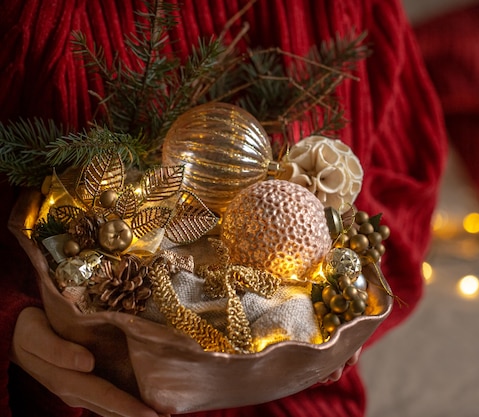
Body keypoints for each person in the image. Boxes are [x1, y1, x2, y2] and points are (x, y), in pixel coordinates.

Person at [0, 0, 446, 416]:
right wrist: (8, 324)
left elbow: (404, 179)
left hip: (305, 402)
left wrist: (340, 306)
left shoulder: (334, 12)